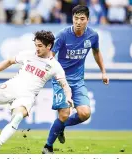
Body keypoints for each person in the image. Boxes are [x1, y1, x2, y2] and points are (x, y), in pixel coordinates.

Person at [42, 5, 109, 154]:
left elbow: (97, 52)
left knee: (85, 113)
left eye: (82, 19)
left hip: (78, 80)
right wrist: (49, 69)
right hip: (61, 79)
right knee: (64, 113)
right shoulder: (63, 34)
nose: (78, 22)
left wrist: (103, 72)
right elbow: (51, 54)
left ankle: (61, 127)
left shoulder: (92, 36)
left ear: (88, 20)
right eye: (76, 18)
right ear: (72, 19)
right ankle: (48, 146)